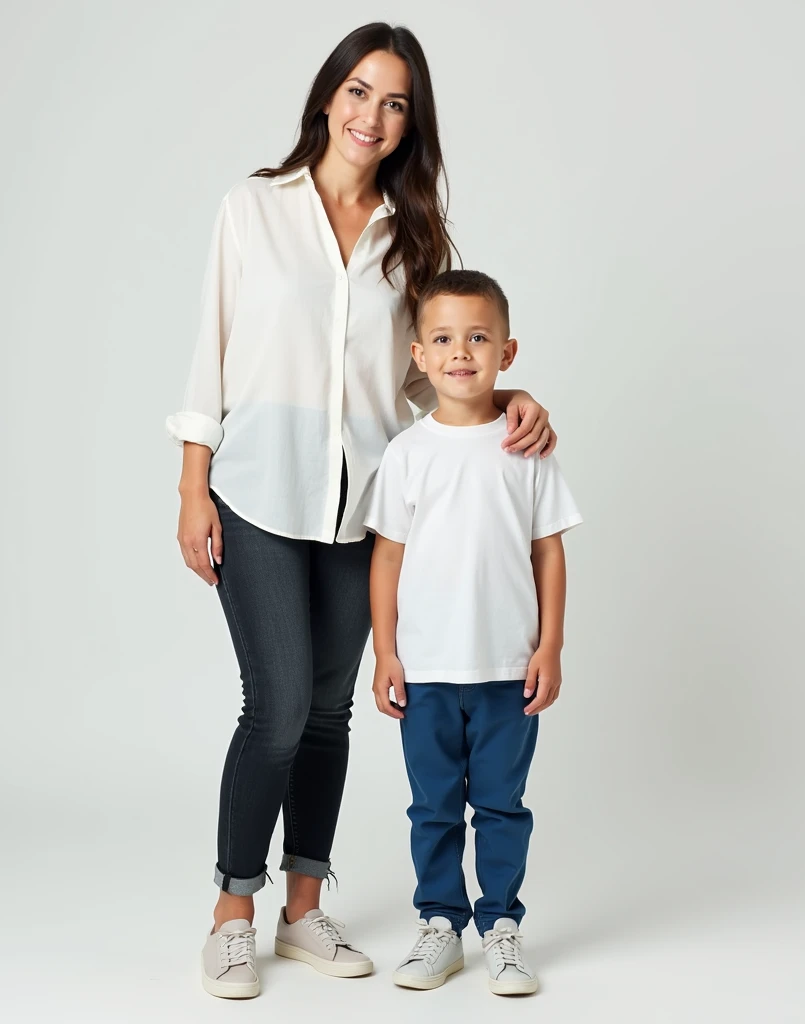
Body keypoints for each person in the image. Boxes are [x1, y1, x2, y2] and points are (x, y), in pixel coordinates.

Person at [166, 24, 559, 1000]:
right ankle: (232, 911)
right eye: (357, 91)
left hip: (366, 507)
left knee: (332, 714)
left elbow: (432, 372)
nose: (371, 116)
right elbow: (209, 350)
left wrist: (510, 400)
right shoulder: (255, 207)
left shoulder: (413, 235)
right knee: (278, 707)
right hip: (256, 490)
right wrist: (190, 484)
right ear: (326, 97)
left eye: (394, 102)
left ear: (408, 122)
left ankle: (302, 909)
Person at [365, 269, 582, 996]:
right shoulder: (407, 453)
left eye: (479, 338)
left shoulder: (527, 447)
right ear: (420, 356)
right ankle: (439, 925)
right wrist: (386, 651)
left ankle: (502, 928)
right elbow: (387, 556)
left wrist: (549, 645)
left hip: (505, 668)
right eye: (445, 339)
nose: (463, 352)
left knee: (500, 806)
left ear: (507, 352)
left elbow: (548, 549)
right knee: (432, 806)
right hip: (425, 670)